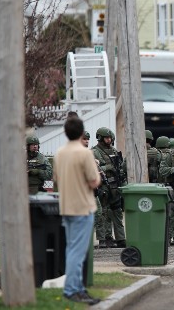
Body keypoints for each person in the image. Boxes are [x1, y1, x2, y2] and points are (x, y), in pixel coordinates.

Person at [53, 117, 101, 305]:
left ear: (66, 133)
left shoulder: (59, 153)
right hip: (83, 206)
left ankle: (78, 288)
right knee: (77, 251)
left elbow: (56, 178)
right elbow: (94, 181)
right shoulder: (84, 153)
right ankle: (72, 290)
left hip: (66, 207)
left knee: (72, 248)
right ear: (82, 133)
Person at [92, 127, 127, 248]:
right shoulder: (94, 152)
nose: (109, 140)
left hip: (115, 186)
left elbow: (120, 168)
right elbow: (94, 168)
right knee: (103, 213)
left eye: (110, 138)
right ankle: (104, 238)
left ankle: (121, 238)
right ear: (100, 138)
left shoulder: (114, 150)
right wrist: (108, 168)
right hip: (103, 186)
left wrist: (122, 181)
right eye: (106, 138)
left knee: (117, 212)